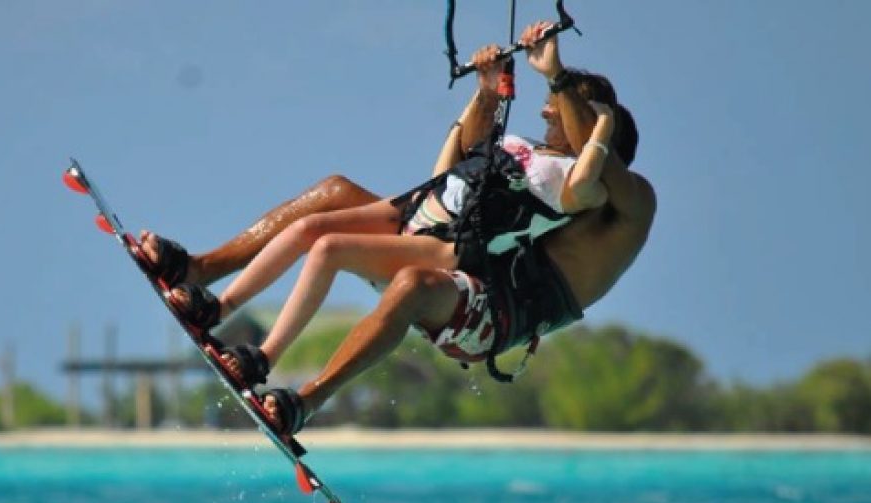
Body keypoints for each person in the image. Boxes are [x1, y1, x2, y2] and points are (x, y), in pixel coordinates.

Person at [138, 21, 621, 387]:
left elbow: (584, 177)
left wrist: (596, 118)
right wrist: (486, 91)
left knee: (327, 248)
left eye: (558, 107)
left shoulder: (580, 185)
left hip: (448, 247)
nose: (546, 109)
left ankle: (263, 358)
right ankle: (217, 307)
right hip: (416, 207)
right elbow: (451, 166)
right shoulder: (526, 145)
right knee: (313, 226)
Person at [252, 26, 657, 434]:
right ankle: (203, 277)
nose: (549, 113)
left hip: (487, 316)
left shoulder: (634, 202)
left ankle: (307, 401)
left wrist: (559, 78)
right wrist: (487, 91)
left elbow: (593, 150)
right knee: (334, 192)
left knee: (412, 283)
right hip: (457, 265)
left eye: (566, 110)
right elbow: (456, 173)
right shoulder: (554, 178)